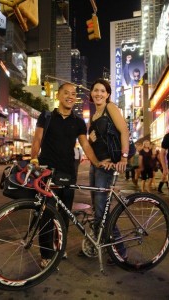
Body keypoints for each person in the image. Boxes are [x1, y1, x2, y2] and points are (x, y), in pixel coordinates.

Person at [30, 82, 110, 267]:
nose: (70, 96)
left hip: (67, 172)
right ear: (58, 95)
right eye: (66, 93)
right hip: (46, 172)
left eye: (73, 94)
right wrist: (33, 159)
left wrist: (97, 162)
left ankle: (60, 247)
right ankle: (46, 254)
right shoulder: (47, 116)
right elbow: (37, 139)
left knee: (63, 214)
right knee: (46, 214)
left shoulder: (78, 121)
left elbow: (86, 145)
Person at [80, 78, 129, 262]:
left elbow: (124, 131)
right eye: (95, 90)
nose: (98, 93)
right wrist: (91, 138)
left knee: (102, 212)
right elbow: (96, 142)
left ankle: (120, 250)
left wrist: (124, 157)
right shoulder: (93, 116)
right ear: (91, 94)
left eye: (102, 91)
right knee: (97, 209)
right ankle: (99, 244)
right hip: (97, 165)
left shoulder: (111, 108)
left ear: (107, 94)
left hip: (107, 166)